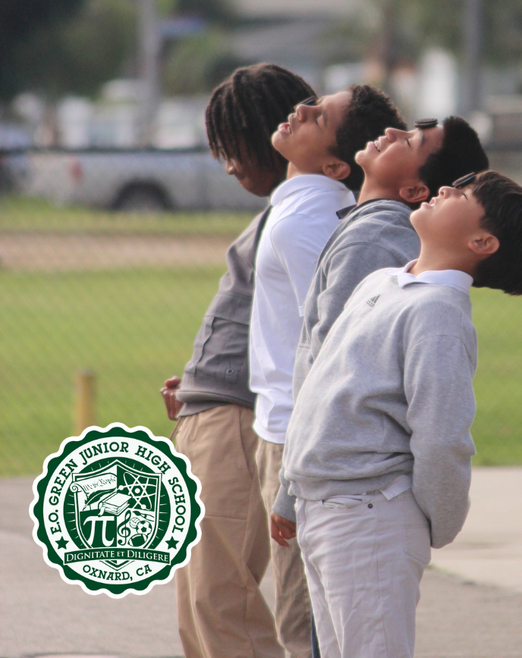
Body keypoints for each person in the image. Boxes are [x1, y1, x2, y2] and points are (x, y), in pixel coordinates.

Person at [276, 170, 522, 658]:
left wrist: (436, 522)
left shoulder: (439, 314)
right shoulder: (383, 281)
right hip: (320, 505)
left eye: (464, 194)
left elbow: (442, 434)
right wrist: (289, 489)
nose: (445, 188)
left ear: (481, 241)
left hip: (369, 515)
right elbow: (321, 390)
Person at [161, 62, 314, 658]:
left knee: (223, 603)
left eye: (234, 146)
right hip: (215, 408)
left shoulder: (302, 215)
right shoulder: (282, 211)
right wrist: (200, 383)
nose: (228, 164)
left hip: (239, 418)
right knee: (200, 607)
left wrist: (220, 389)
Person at [271, 115, 489, 530]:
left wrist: (288, 488)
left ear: (414, 190)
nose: (389, 132)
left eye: (409, 142)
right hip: (337, 486)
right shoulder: (366, 227)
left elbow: (327, 369)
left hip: (346, 493)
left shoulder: (373, 239)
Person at [250, 84, 404, 658]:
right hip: (279, 424)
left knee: (305, 626)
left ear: (337, 164)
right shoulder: (295, 202)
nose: (301, 109)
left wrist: (292, 473)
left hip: (300, 432)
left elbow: (329, 337)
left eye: (318, 116)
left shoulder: (312, 217)